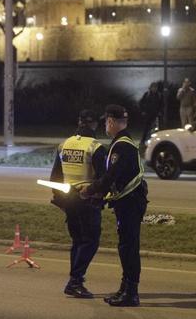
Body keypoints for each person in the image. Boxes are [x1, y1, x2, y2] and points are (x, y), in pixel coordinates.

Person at [81, 104, 149, 307]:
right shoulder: (122, 143)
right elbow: (115, 179)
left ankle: (131, 293)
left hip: (130, 203)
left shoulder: (121, 146)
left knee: (128, 247)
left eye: (106, 122)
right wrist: (99, 192)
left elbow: (110, 176)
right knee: (125, 246)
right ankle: (125, 288)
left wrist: (90, 190)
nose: (105, 125)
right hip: (128, 201)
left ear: (111, 121)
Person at [49, 109, 107, 299]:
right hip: (87, 199)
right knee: (90, 241)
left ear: (79, 122)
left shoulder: (64, 144)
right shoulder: (95, 147)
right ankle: (75, 281)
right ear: (94, 125)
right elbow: (103, 178)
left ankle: (76, 280)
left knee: (77, 241)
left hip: (68, 199)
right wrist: (99, 198)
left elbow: (54, 178)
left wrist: (60, 200)